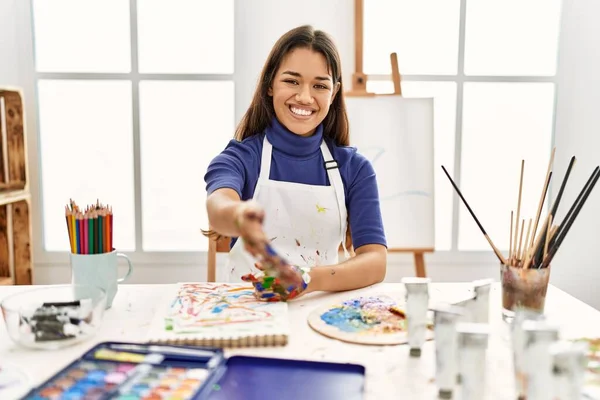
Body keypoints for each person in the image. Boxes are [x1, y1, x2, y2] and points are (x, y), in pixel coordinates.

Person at [203, 25, 387, 300]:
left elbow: (375, 261)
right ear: (269, 84)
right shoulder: (241, 158)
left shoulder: (355, 168)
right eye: (291, 81)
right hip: (249, 312)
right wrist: (240, 217)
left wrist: (307, 279)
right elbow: (218, 206)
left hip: (321, 311)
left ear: (334, 93)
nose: (304, 96)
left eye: (320, 85)